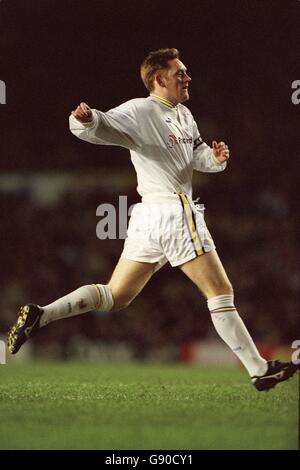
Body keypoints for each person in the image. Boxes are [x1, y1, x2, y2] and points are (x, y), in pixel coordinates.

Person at [8, 48, 298, 391]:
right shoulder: (140, 109)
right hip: (173, 210)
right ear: (159, 79)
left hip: (148, 217)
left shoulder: (184, 115)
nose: (187, 78)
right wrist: (84, 120)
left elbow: (193, 155)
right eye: (180, 73)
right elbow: (100, 124)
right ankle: (258, 369)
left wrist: (214, 158)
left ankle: (42, 314)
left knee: (116, 296)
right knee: (220, 292)